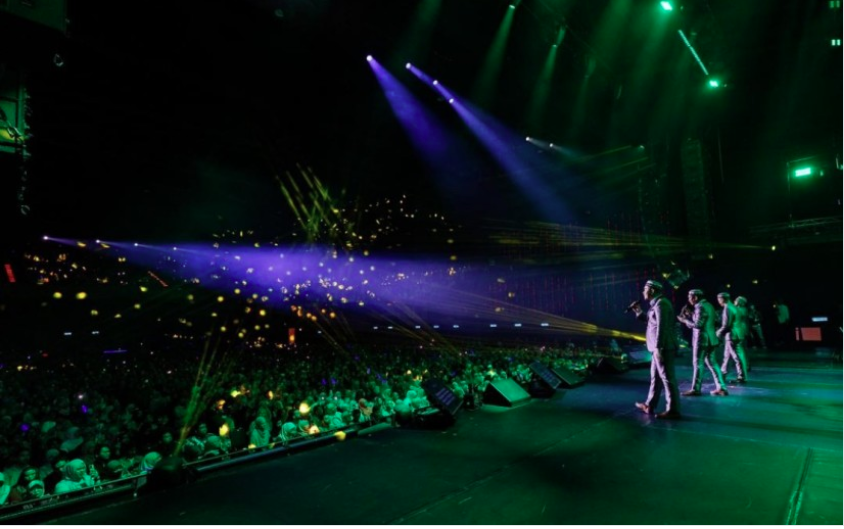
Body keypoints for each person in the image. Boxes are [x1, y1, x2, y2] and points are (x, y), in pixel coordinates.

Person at [631, 280, 681, 419]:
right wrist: (638, 311)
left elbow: (662, 327)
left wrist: (659, 347)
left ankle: (673, 409)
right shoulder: (657, 304)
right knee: (656, 378)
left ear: (651, 291)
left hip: (662, 347)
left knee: (667, 378)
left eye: (644, 289)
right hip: (657, 347)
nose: (643, 292)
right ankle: (649, 405)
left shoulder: (662, 304)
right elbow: (651, 320)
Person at [677, 289, 728, 397]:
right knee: (713, 364)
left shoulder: (700, 306)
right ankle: (721, 387)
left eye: (690, 297)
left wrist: (684, 320)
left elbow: (698, 325)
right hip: (711, 338)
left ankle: (696, 389)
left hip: (702, 340)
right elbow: (714, 319)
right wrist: (691, 316)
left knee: (698, 364)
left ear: (695, 297)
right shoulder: (709, 305)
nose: (688, 299)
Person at [716, 292, 747, 384]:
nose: (718, 301)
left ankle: (742, 376)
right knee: (727, 355)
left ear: (722, 299)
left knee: (736, 356)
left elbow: (726, 325)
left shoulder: (728, 308)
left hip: (732, 335)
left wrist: (718, 333)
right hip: (736, 334)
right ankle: (723, 372)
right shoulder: (733, 307)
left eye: (719, 299)